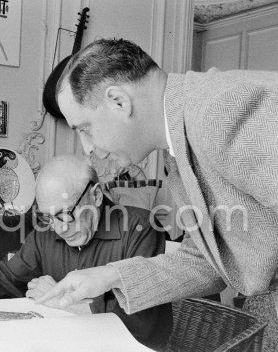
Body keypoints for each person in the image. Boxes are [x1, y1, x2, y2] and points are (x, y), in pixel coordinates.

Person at [36, 38, 278, 324]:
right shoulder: (177, 149)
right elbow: (206, 260)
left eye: (84, 128)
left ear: (119, 102)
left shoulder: (218, 110)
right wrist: (111, 275)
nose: (87, 148)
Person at [0, 154, 171, 348]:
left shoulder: (141, 229)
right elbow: (5, 278)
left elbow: (143, 324)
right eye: (47, 217)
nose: (59, 229)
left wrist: (70, 303)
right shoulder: (47, 232)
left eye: (65, 214)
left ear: (96, 196)